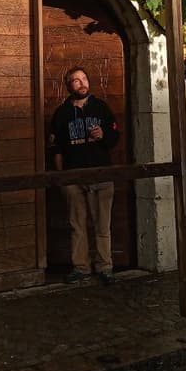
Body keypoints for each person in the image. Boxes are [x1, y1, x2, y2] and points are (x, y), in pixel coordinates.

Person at [51, 66, 120, 284]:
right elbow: (56, 148)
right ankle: (81, 267)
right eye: (76, 80)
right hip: (73, 178)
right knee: (77, 225)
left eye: (84, 79)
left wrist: (104, 134)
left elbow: (115, 137)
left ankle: (105, 267)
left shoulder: (101, 108)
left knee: (102, 225)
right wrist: (62, 178)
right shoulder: (61, 113)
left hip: (101, 175)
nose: (82, 83)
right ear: (68, 86)